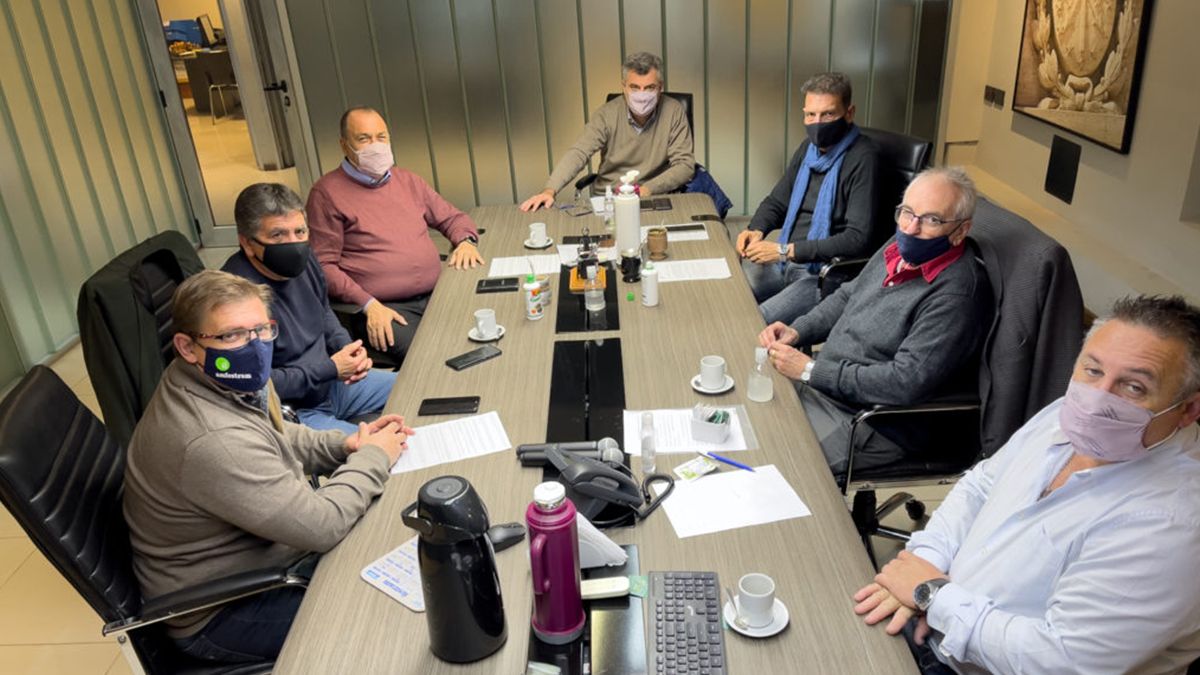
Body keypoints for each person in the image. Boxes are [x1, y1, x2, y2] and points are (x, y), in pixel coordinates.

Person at [853, 295, 1200, 675]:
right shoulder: (1067, 414)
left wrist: (934, 596)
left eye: (1133, 387)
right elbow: (981, 486)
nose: (1098, 399)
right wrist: (927, 561)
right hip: (932, 620)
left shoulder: (1173, 524)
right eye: (1093, 369)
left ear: (1188, 410)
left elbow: (1062, 662)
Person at [123, 270, 412, 662]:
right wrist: (374, 456)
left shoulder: (219, 377)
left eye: (261, 329)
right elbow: (322, 525)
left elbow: (275, 436)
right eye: (231, 335)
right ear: (187, 346)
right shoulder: (210, 438)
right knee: (387, 620)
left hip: (264, 557)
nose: (254, 346)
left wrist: (346, 444)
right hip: (229, 609)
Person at [759, 166, 991, 480]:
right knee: (752, 424)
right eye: (907, 213)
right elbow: (847, 296)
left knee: (775, 467)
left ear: (961, 230)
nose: (911, 228)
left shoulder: (956, 295)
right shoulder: (897, 248)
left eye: (932, 220)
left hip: (872, 422)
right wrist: (798, 329)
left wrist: (811, 370)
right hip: (828, 388)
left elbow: (904, 382)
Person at [307, 106, 484, 364]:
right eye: (364, 139)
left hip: (438, 293)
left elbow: (453, 218)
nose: (375, 146)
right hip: (385, 309)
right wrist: (368, 304)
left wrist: (466, 241)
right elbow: (323, 266)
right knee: (434, 360)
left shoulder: (407, 181)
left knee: (485, 333)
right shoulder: (326, 194)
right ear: (345, 146)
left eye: (381, 137)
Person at [223, 183, 396, 435]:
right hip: (294, 411)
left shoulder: (305, 261)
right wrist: (330, 369)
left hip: (335, 384)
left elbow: (323, 310)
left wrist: (347, 348)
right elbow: (257, 384)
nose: (293, 244)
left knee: (421, 387)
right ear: (247, 244)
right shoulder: (233, 299)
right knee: (379, 450)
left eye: (300, 232)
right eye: (278, 235)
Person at [736, 72, 881, 325]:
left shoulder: (864, 158)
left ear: (849, 113)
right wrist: (755, 229)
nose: (817, 123)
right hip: (786, 262)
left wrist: (785, 251)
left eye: (828, 114)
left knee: (754, 321)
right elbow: (777, 202)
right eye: (810, 115)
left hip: (826, 274)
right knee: (730, 295)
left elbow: (857, 239)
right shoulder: (808, 149)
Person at [519, 51, 695, 211]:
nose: (642, 95)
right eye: (634, 87)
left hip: (654, 197)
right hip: (609, 198)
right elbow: (579, 152)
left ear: (660, 87)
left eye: (649, 88)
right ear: (624, 87)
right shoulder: (606, 114)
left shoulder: (674, 111)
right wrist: (549, 190)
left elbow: (684, 166)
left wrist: (646, 190)